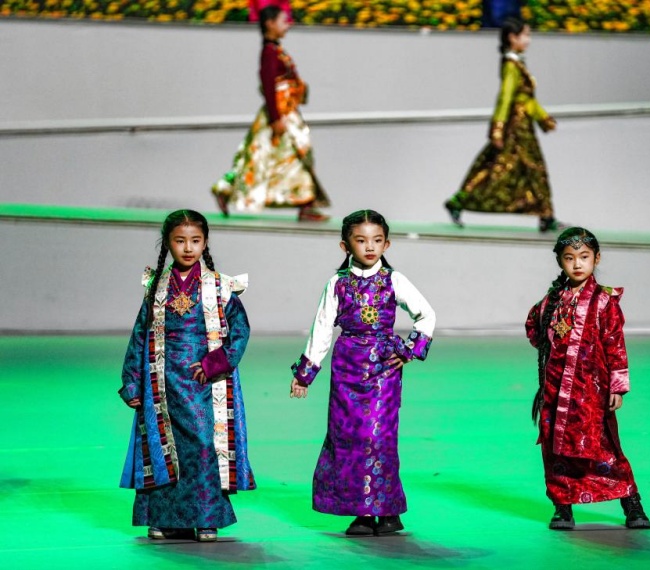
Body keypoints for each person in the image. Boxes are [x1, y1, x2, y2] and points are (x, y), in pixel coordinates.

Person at [289, 209, 436, 536]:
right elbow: (322, 329)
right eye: (361, 240)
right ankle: (363, 511)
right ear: (345, 245)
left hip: (383, 368)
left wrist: (409, 350)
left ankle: (384, 509)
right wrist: (305, 374)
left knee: (378, 438)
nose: (369, 247)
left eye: (377, 240)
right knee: (349, 438)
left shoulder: (394, 280)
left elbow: (426, 315)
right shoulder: (337, 284)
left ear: (387, 244)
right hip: (347, 368)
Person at [118, 209, 256, 542]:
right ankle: (166, 518)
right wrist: (132, 381)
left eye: (195, 240)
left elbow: (240, 330)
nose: (188, 248)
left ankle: (206, 517)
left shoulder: (219, 287)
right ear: (168, 243)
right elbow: (141, 333)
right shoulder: (156, 286)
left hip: (202, 383)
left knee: (202, 443)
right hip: (161, 382)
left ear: (205, 242)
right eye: (180, 241)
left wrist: (217, 362)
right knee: (163, 447)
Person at [524, 227, 650, 530]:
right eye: (570, 258)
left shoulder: (605, 302)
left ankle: (631, 504)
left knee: (605, 447)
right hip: (556, 393)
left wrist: (617, 387)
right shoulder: (551, 301)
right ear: (560, 262)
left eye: (584, 257)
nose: (577, 264)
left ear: (597, 258)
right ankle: (563, 507)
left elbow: (615, 343)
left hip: (592, 394)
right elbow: (533, 327)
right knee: (556, 450)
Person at [212, 6, 329, 221]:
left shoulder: (275, 51)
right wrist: (276, 118)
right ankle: (304, 204)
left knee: (278, 158)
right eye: (283, 20)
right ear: (270, 24)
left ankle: (305, 202)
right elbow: (268, 85)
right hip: (280, 115)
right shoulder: (269, 53)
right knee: (276, 157)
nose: (288, 24)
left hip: (286, 113)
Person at [444, 17, 561, 232]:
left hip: (523, 127)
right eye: (525, 35)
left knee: (525, 169)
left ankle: (546, 214)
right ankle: (459, 200)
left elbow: (526, 101)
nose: (529, 40)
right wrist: (498, 128)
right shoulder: (511, 66)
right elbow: (505, 98)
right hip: (516, 129)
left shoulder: (517, 63)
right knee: (502, 169)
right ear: (512, 37)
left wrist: (543, 118)